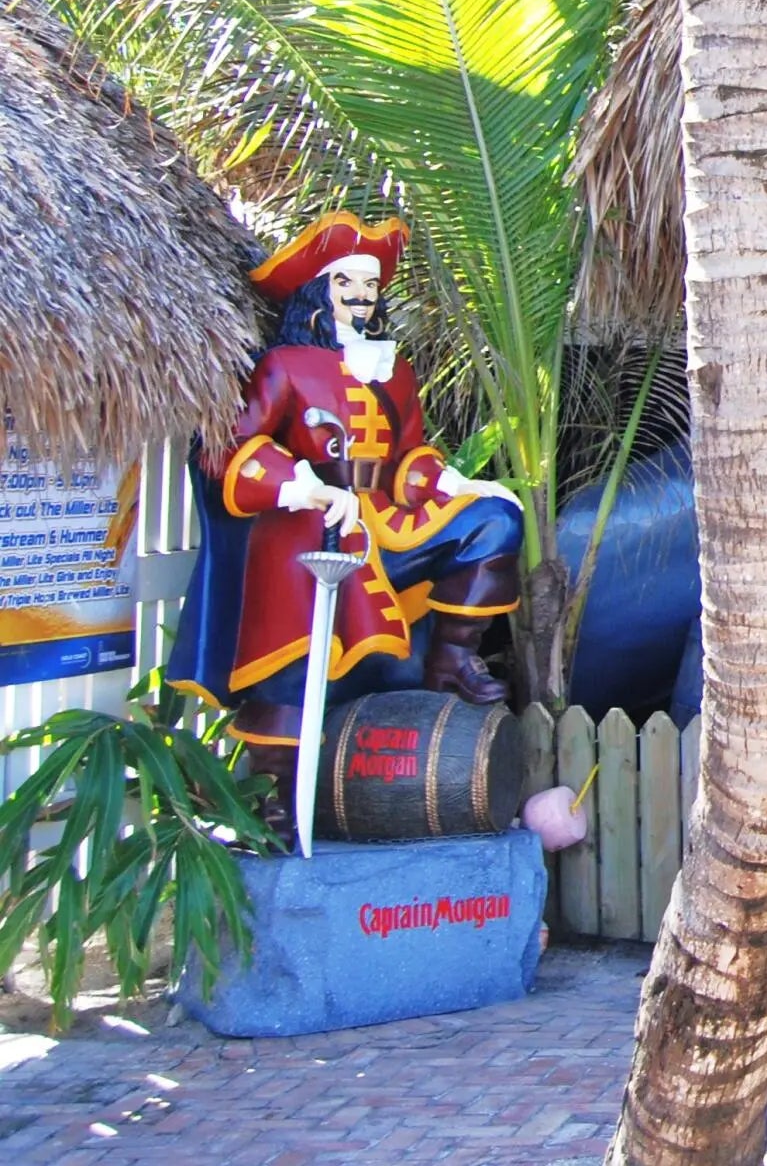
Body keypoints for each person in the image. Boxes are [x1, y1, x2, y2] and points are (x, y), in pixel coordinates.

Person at [168, 212, 524, 823]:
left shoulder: (395, 370)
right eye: (346, 283)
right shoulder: (285, 365)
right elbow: (227, 449)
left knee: (493, 521)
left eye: (370, 285)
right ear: (319, 291)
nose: (361, 295)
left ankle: (452, 661)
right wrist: (298, 485)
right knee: (294, 656)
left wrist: (452, 482)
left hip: (384, 518)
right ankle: (276, 797)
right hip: (306, 527)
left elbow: (409, 454)